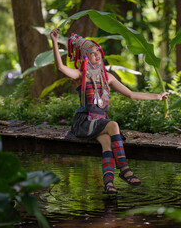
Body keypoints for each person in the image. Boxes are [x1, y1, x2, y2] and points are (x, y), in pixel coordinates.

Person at [50, 28, 169, 194]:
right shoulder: (80, 75)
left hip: (99, 123)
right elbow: (60, 67)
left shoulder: (108, 77)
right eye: (92, 53)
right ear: (85, 57)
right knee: (113, 125)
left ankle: (108, 183)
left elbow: (131, 94)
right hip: (85, 121)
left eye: (97, 51)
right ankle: (124, 169)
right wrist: (55, 43)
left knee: (107, 142)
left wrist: (157, 96)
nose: (97, 55)